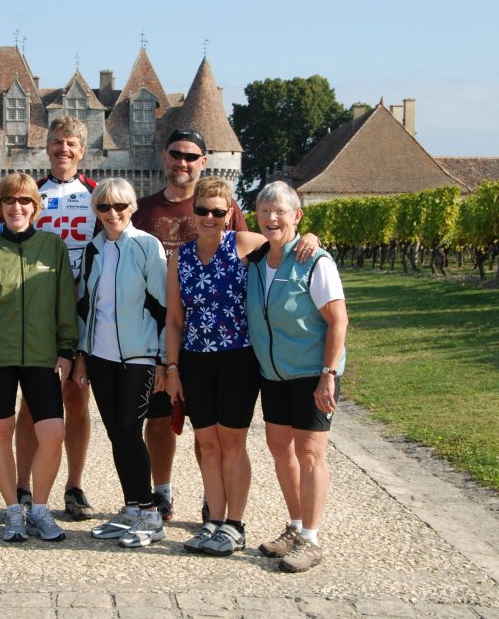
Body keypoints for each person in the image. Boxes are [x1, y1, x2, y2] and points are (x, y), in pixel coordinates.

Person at [165, 177, 317, 557]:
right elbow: (173, 319)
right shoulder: (179, 257)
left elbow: (286, 241)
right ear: (193, 212)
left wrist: (309, 237)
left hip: (238, 358)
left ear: (230, 213)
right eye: (202, 210)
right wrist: (171, 368)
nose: (210, 217)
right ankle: (213, 520)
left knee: (231, 442)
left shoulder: (244, 245)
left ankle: (235, 524)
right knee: (206, 442)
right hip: (196, 359)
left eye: (219, 211)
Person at [131, 129, 248, 523]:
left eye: (191, 156)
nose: (183, 162)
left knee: (206, 428)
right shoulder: (141, 210)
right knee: (159, 420)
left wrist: (310, 237)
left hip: (208, 343)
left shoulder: (224, 208)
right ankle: (161, 492)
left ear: (204, 160)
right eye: (176, 154)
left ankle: (211, 499)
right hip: (153, 333)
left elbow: (269, 247)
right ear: (164, 157)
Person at [0, 173, 78, 543]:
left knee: (53, 432)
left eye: (25, 201)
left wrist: (66, 348)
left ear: (35, 207)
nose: (17, 207)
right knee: (1, 431)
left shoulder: (52, 247)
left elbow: (65, 302)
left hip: (42, 356)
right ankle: (13, 510)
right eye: (10, 201)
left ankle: (39, 508)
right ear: (0, 207)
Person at [247, 181, 348, 573]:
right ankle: (294, 525)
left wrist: (328, 375)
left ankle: (311, 538)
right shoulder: (255, 261)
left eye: (281, 212)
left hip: (311, 372)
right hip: (273, 374)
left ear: (296, 216)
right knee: (280, 449)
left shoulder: (314, 261)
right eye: (265, 211)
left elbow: (338, 321)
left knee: (309, 453)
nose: (272, 218)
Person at [72, 178, 169, 548]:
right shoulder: (93, 249)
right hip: (101, 357)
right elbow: (86, 308)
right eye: (104, 207)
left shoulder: (147, 246)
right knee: (116, 433)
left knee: (130, 430)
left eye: (120, 207)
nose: (112, 214)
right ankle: (131, 507)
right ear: (96, 211)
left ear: (132, 209)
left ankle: (150, 514)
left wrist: (162, 360)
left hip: (139, 356)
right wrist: (82, 357)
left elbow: (161, 305)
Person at [14, 115, 97, 521]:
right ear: (46, 146)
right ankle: (24, 485)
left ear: (82, 151)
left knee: (77, 399)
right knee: (31, 402)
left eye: (71, 144)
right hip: (38, 311)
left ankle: (74, 485)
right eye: (57, 142)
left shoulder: (96, 195)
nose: (63, 150)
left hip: (83, 309)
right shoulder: (32, 194)